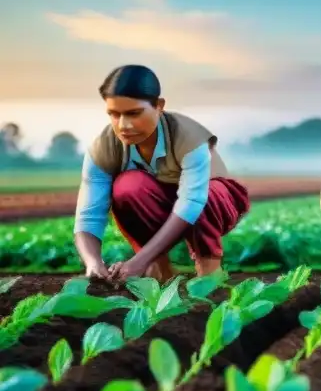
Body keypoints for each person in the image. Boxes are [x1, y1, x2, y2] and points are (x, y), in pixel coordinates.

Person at [73, 65, 250, 283]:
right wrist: (93, 262)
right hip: (164, 204)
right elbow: (89, 214)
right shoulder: (104, 147)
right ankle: (160, 269)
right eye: (114, 114)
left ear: (159, 106)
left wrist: (138, 260)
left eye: (133, 113)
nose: (123, 125)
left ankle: (209, 270)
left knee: (205, 194)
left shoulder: (189, 137)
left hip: (217, 202)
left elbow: (191, 203)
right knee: (127, 187)